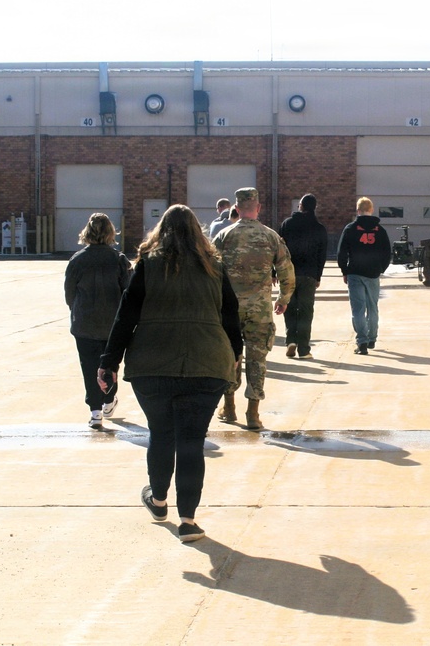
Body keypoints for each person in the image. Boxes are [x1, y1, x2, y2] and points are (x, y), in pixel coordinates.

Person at [97, 205, 243, 543]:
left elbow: (126, 315)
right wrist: (235, 355)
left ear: (160, 232)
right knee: (191, 441)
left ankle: (159, 501)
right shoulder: (214, 267)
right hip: (207, 364)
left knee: (161, 434)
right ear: (198, 232)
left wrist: (109, 361)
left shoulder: (148, 265)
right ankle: (189, 522)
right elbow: (231, 316)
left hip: (152, 364)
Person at [213, 187, 296, 429]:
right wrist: (284, 298)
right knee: (257, 359)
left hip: (228, 310)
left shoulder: (224, 236)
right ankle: (253, 413)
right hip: (259, 310)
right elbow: (286, 270)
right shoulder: (271, 237)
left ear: (236, 210)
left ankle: (229, 407)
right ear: (258, 208)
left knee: (231, 356)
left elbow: (209, 270)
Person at [64, 213, 131, 428]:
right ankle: (109, 400)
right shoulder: (119, 259)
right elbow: (128, 291)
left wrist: (76, 310)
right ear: (111, 232)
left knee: (89, 365)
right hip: (112, 324)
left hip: (84, 323)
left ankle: (95, 411)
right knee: (110, 364)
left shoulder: (77, 259)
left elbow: (69, 293)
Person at [336, 196, 391, 355]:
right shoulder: (380, 230)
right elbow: (387, 252)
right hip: (373, 273)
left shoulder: (350, 229)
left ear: (358, 210)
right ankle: (372, 337)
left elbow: (341, 253)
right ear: (372, 210)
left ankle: (362, 342)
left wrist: (344, 271)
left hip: (355, 272)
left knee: (358, 309)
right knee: (372, 307)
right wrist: (381, 268)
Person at [278, 193, 328, 359]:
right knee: (306, 311)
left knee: (289, 307)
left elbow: (278, 249)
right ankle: (304, 349)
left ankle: (291, 340)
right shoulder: (319, 228)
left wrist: (274, 272)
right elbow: (322, 255)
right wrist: (318, 276)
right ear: (315, 207)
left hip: (289, 273)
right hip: (309, 274)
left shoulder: (287, 224)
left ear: (300, 206)